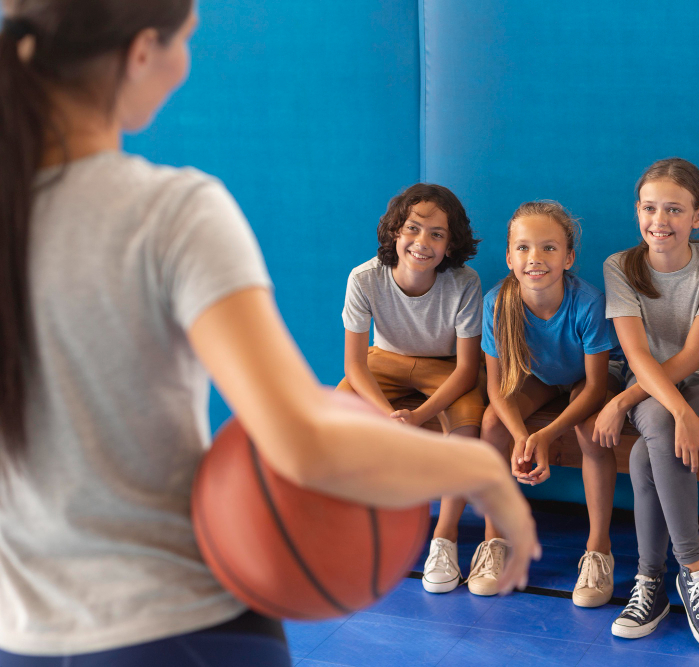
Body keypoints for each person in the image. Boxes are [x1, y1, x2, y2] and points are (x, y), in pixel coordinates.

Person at [0, 2, 538, 664]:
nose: (185, 62)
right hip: (177, 624)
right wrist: (479, 465)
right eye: (186, 41)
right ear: (142, 52)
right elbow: (302, 441)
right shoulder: (170, 212)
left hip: (21, 632)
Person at [600, 158, 699, 656]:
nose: (659, 220)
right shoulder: (619, 266)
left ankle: (658, 581)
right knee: (653, 435)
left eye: (674, 210)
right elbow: (637, 354)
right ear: (637, 210)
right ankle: (691, 574)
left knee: (646, 450)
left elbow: (693, 357)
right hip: (651, 389)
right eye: (650, 207)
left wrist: (627, 401)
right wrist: (672, 410)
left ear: (697, 216)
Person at [337, 182, 488, 595]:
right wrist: (388, 416)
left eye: (437, 234)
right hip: (383, 363)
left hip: (446, 369)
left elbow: (466, 369)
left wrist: (418, 417)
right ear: (394, 233)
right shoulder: (365, 278)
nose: (422, 242)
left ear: (450, 244)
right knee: (337, 416)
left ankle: (445, 537)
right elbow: (355, 364)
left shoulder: (464, 282)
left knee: (467, 429)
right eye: (414, 229)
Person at [474, 201, 623, 607]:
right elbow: (497, 387)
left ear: (569, 257)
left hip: (586, 380)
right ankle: (494, 541)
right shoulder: (495, 304)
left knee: (590, 431)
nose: (534, 258)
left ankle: (598, 550)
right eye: (522, 248)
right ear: (508, 257)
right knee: (492, 425)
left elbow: (594, 387)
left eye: (548, 248)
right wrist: (523, 437)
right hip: (537, 379)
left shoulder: (587, 302)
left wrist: (547, 434)